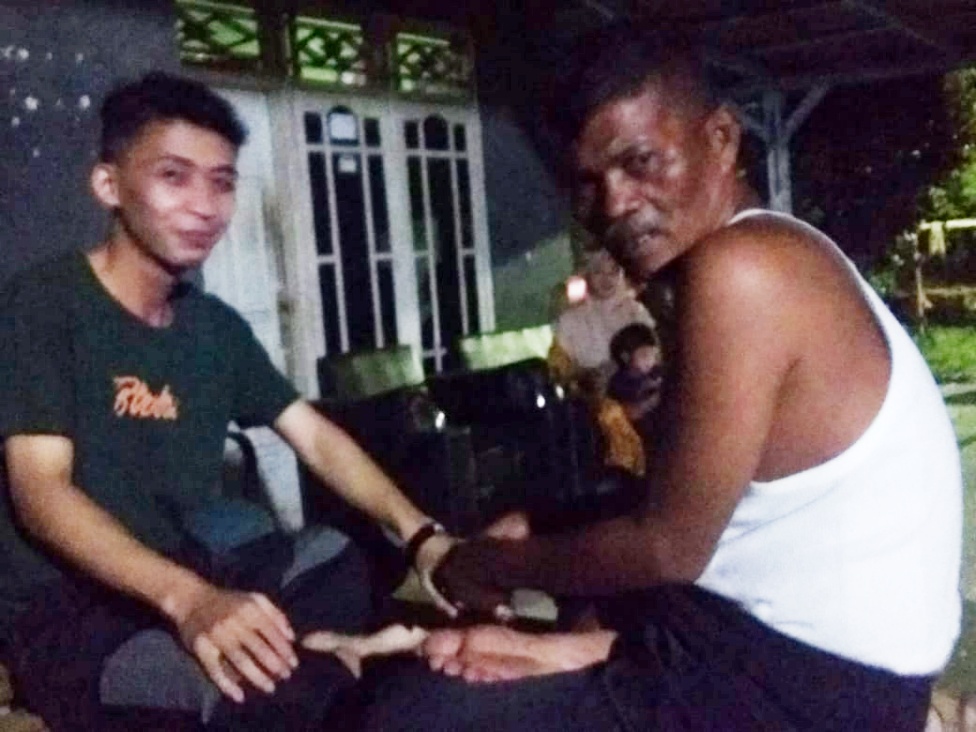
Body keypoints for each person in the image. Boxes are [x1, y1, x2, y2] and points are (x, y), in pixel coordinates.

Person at [352, 24, 962, 731]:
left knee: (410, 711)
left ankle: (579, 656)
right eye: (588, 183)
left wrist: (490, 564)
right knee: (546, 562)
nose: (615, 204)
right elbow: (691, 502)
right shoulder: (766, 252)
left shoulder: (744, 269)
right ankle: (580, 653)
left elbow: (669, 547)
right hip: (761, 643)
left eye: (640, 163)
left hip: (809, 694)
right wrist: (537, 528)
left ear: (722, 139)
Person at [0, 71, 460, 730]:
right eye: (174, 176)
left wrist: (421, 536)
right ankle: (347, 661)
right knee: (247, 695)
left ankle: (333, 658)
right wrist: (190, 601)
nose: (205, 206)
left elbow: (315, 437)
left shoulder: (213, 327)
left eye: (221, 182)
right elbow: (40, 495)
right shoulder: (45, 305)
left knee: (335, 557)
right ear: (109, 185)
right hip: (70, 611)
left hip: (184, 565)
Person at [549, 248, 657, 476]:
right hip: (595, 398)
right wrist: (587, 376)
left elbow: (657, 355)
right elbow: (559, 372)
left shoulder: (637, 312)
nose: (606, 279)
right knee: (611, 414)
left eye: (613, 272)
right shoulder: (570, 320)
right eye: (598, 272)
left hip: (641, 389)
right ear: (588, 275)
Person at [606, 321, 665, 437]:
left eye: (654, 355)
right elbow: (628, 413)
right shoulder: (619, 382)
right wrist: (654, 400)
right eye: (644, 355)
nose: (651, 360)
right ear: (625, 357)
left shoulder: (656, 372)